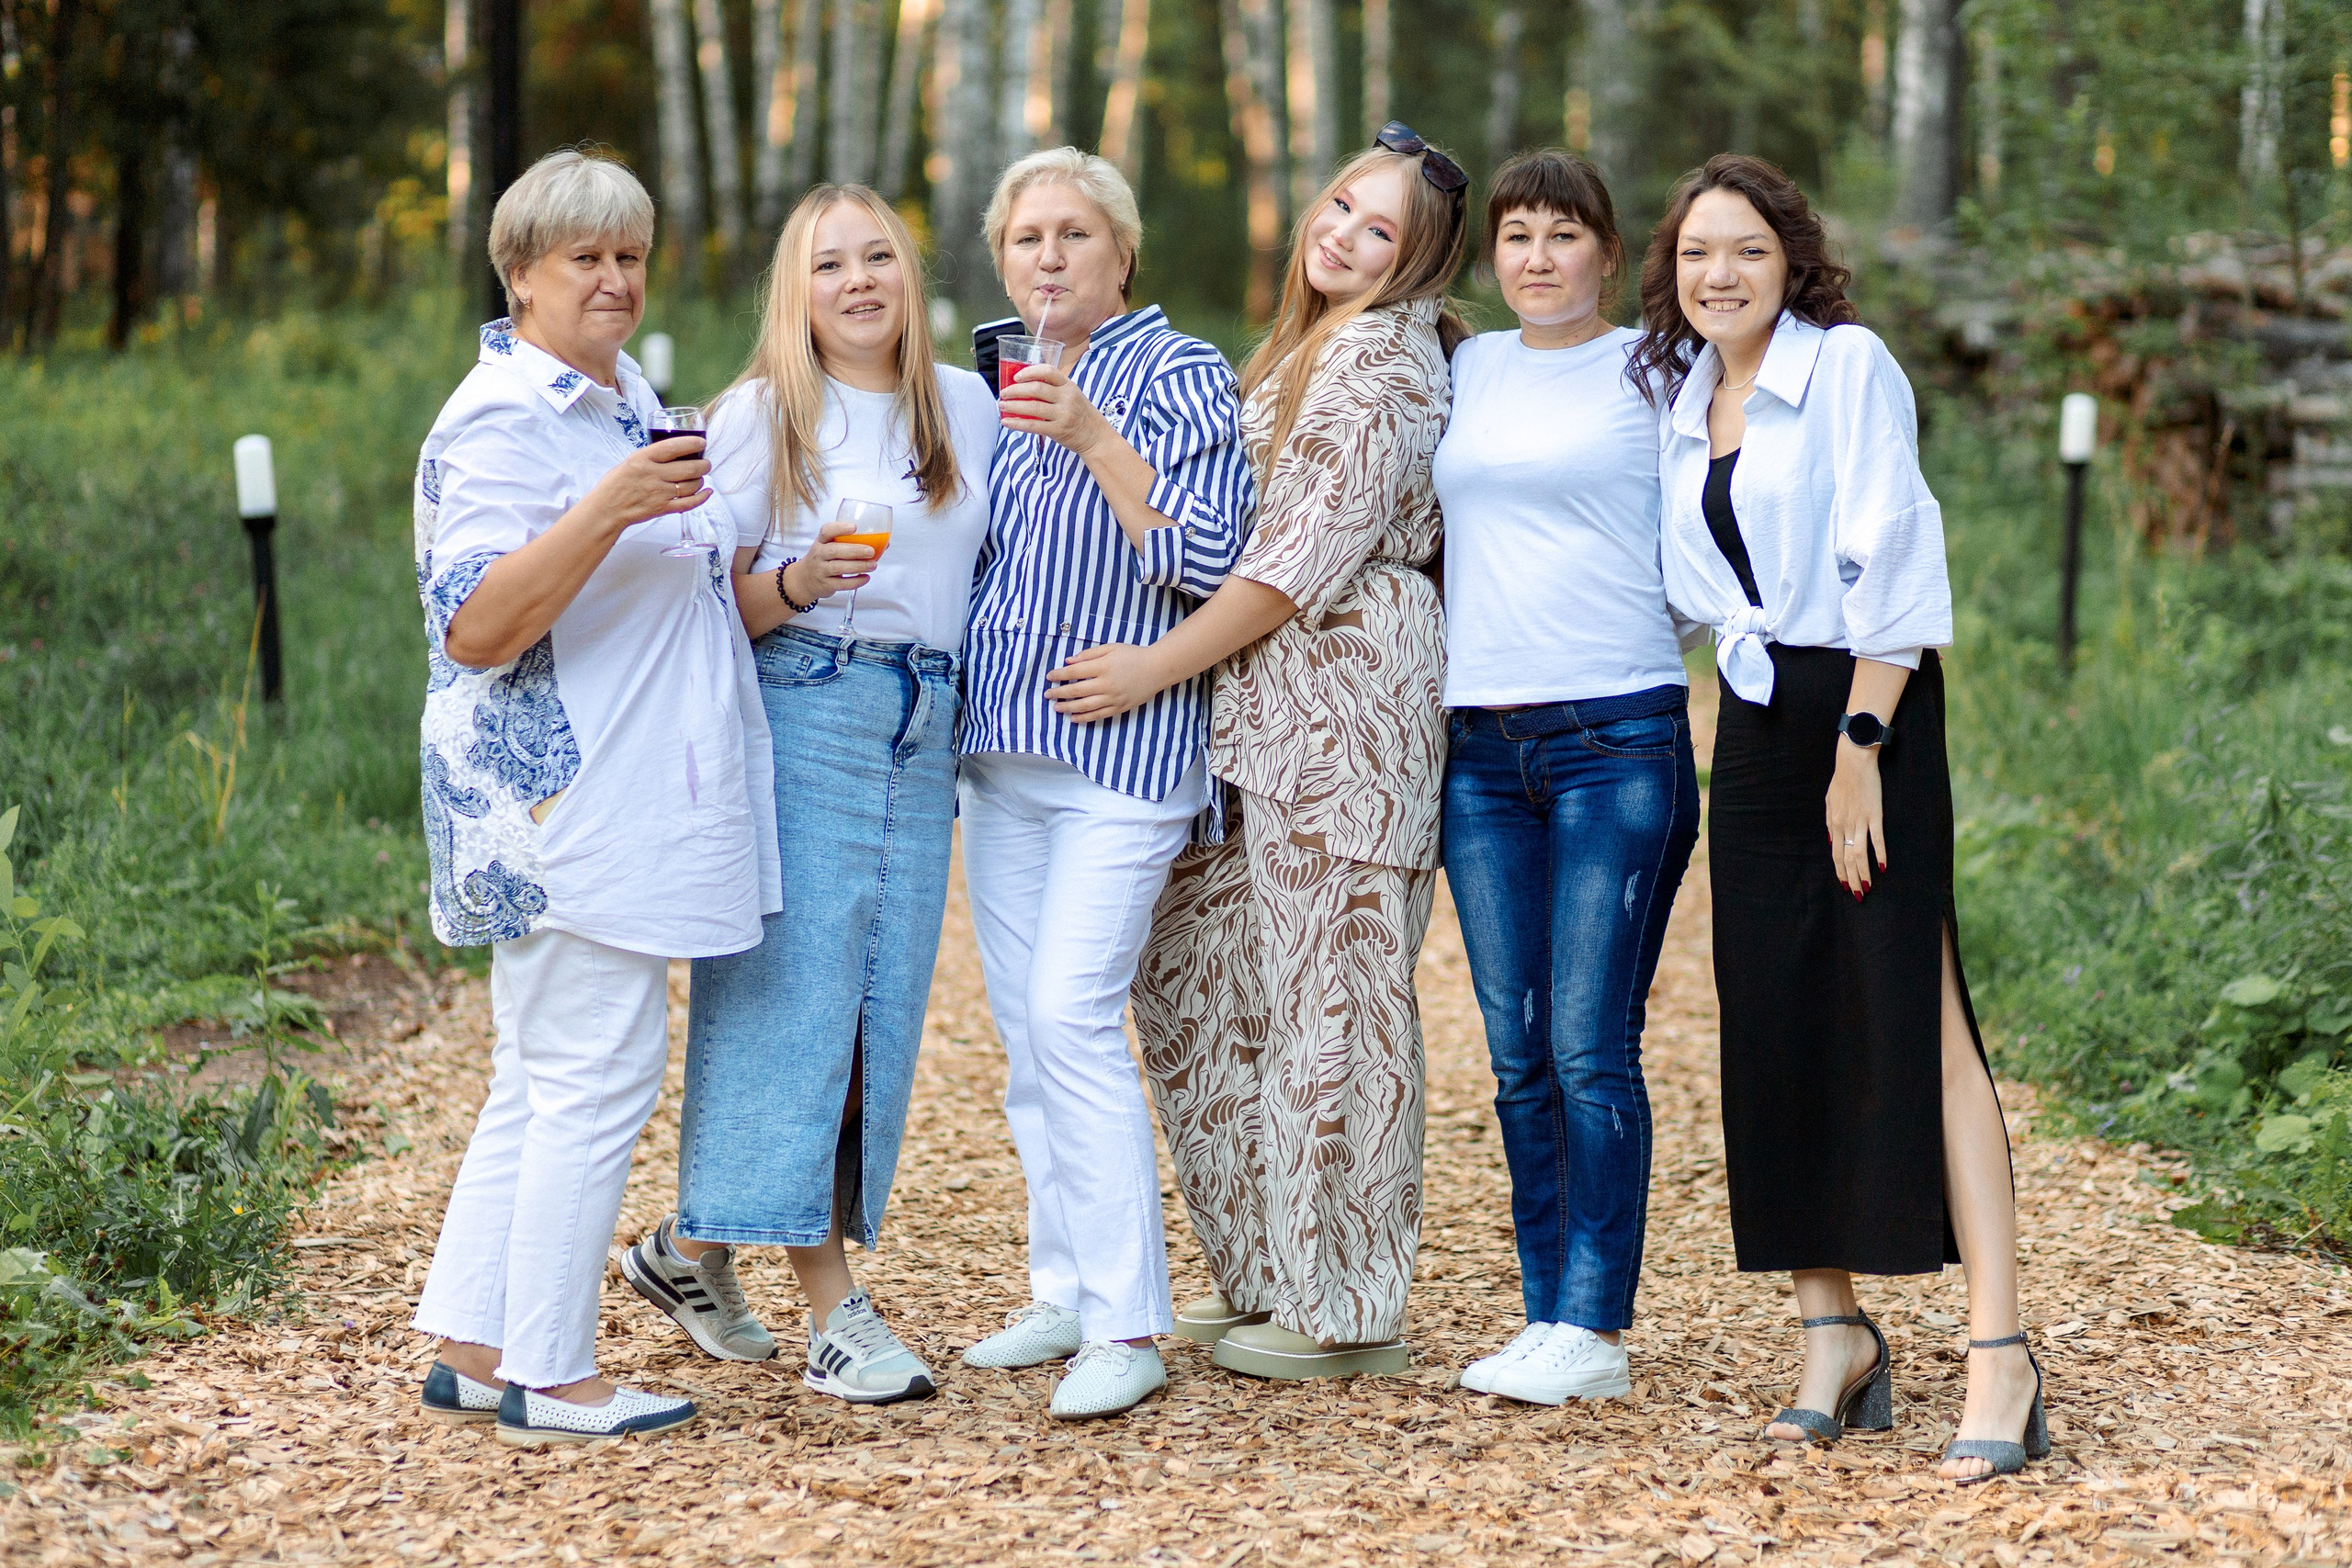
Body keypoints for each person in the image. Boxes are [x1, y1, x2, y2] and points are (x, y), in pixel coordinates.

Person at [1638, 153, 2045, 1483]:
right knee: (1775, 1014)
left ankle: (2000, 1354)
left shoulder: (1848, 368)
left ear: (1792, 259)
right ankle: (1834, 1334)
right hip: (1754, 717)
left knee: (1912, 1007)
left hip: (1864, 698)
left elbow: (1898, 553)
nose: (1720, 274)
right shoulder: (1682, 397)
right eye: (1699, 252)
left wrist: (1862, 745)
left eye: (1747, 250)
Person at [1072, 123, 1467, 1381]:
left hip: (1348, 711)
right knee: (1198, 982)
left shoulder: (1385, 368)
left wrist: (1149, 668)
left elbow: (1293, 568)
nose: (1344, 235)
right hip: (1254, 721)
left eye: (1380, 231)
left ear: (1418, 264)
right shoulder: (1299, 348)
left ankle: (1345, 1306)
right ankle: (1262, 1269)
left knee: (1336, 1001)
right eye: (1343, 205)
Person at [408, 149, 779, 1447]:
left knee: (537, 1073)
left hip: (620, 784)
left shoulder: (618, 394)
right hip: (560, 798)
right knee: (594, 1074)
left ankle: (470, 1342)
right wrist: (615, 506)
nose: (615, 279)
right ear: (520, 274)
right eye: (586, 259)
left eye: (629, 254)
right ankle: (555, 1377)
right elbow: (476, 624)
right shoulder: (504, 418)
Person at [616, 185, 997, 1406]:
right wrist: (793, 581)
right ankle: (833, 1308)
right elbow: (696, 608)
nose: (859, 281)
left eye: (878, 255)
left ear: (909, 271)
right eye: (829, 264)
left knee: (876, 1007)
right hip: (806, 701)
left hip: (922, 721)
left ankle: (691, 1249)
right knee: (797, 998)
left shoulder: (970, 406)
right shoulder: (759, 415)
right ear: (800, 289)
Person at [952, 147, 1255, 1419]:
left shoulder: (1180, 372)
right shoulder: (989, 373)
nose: (1049, 257)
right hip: (1000, 753)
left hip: (1122, 762)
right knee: (1029, 1031)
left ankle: (1128, 1327)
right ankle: (1067, 1283)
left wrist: (1091, 435)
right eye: (1026, 238)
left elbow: (1217, 554)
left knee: (1074, 1012)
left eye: (1075, 234)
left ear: (1122, 255)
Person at [1430, 150, 1701, 1406]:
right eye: (1517, 235)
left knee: (1594, 1045)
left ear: (1607, 250)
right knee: (1518, 1054)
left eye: (1564, 234)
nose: (1538, 258)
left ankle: (1595, 1326)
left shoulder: (1661, 366)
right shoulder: (1468, 366)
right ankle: (1545, 1314)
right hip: (1480, 748)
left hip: (1617, 738)